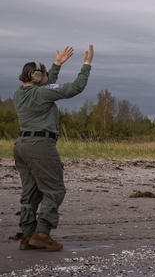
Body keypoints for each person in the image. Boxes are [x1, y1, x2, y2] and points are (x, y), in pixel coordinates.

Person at [13, 44, 94, 252]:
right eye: (45, 75)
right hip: (41, 145)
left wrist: (56, 65)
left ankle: (27, 236)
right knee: (55, 189)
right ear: (39, 77)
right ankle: (42, 233)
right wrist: (86, 65)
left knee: (30, 193)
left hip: (21, 145)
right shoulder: (42, 94)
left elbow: (47, 87)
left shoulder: (19, 94)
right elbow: (75, 88)